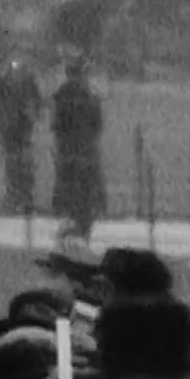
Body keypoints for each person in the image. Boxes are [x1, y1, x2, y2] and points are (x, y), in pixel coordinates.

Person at [51, 55, 105, 241]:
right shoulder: (90, 94)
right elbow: (97, 123)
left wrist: (63, 143)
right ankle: (83, 225)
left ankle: (71, 223)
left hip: (68, 150)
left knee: (69, 189)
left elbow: (57, 124)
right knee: (85, 190)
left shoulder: (62, 94)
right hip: (86, 150)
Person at [0, 57, 43, 215]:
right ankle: (14, 199)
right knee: (12, 166)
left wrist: (32, 115)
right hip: (9, 133)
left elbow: (36, 106)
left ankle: (24, 199)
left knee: (24, 165)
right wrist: (0, 121)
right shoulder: (3, 84)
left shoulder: (29, 84)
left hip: (23, 132)